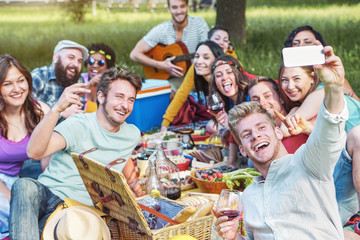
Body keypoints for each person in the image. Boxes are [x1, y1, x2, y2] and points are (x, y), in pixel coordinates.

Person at [215, 42, 349, 239]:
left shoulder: (308, 163)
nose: (256, 135)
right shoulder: (249, 196)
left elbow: (331, 126)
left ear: (278, 132)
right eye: (246, 135)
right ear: (243, 150)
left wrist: (334, 87)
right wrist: (234, 237)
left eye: (262, 127)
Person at [9, 68, 144, 239]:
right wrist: (57, 109)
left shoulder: (131, 135)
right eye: (119, 97)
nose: (125, 105)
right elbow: (34, 152)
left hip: (78, 216)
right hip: (49, 196)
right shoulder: (78, 125)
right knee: (24, 186)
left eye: (131, 99)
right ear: (101, 97)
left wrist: (142, 196)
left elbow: (124, 161)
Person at [278, 64, 360, 236]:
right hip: (343, 167)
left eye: (297, 78)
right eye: (284, 80)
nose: (290, 86)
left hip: (349, 164)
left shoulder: (322, 92)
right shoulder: (305, 105)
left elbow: (286, 128)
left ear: (313, 78)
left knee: (357, 135)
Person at [0, 55, 50, 240]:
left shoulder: (40, 112)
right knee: (10, 210)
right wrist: (10, 198)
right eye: (8, 84)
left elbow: (47, 162)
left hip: (16, 180)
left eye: (21, 80)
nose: (17, 88)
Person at [129, 0, 209, 89]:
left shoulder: (199, 24)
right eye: (174, 7)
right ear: (168, 9)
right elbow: (134, 54)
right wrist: (161, 65)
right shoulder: (161, 30)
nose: (179, 11)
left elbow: (208, 51)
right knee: (167, 94)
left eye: (182, 6)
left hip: (197, 76)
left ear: (187, 7)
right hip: (172, 79)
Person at [284, 25, 359, 101]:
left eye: (307, 42)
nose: (301, 45)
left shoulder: (333, 74)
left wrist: (339, 87)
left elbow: (357, 101)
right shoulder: (287, 79)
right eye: (295, 43)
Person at [160, 40, 223, 130]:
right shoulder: (194, 68)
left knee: (212, 127)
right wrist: (164, 125)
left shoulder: (224, 76)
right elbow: (181, 94)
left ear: (217, 60)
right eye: (197, 56)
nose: (199, 61)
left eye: (206, 58)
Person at [248, 76, 308, 154]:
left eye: (267, 96)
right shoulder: (259, 140)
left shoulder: (300, 119)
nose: (262, 103)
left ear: (281, 98)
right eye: (255, 100)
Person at [31, 39, 88, 118]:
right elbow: (25, 111)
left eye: (79, 61)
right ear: (56, 58)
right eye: (71, 57)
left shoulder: (78, 80)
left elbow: (76, 113)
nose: (76, 64)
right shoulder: (39, 77)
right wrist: (61, 113)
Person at [81, 42, 116, 113]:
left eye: (100, 63)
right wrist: (89, 84)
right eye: (91, 61)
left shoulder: (112, 84)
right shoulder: (80, 79)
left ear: (107, 66)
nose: (95, 65)